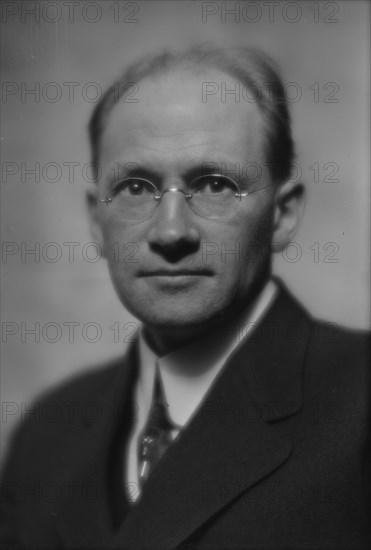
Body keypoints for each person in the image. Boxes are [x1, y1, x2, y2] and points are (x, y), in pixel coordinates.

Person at [1, 44, 369, 550]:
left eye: (215, 184)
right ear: (95, 221)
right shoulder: (45, 437)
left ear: (282, 215)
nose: (171, 232)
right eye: (135, 187)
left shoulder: (359, 405)